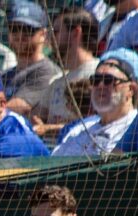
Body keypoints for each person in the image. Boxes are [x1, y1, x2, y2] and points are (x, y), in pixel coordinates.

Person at [52, 52, 138, 156]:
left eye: (109, 80)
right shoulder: (80, 128)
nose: (100, 85)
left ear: (131, 89)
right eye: (96, 80)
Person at [32, 7, 100, 139]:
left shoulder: (100, 75)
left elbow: (97, 122)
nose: (50, 39)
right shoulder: (56, 81)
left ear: (76, 33)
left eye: (56, 32)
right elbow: (35, 116)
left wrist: (48, 129)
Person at [3, 0, 63, 117]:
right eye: (14, 28)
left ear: (43, 34)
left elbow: (16, 109)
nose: (20, 35)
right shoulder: (6, 75)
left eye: (27, 29)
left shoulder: (46, 71)